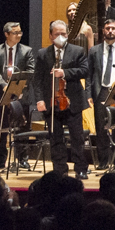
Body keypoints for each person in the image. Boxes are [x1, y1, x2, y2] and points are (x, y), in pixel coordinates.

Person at [33, 19, 91, 178]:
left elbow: (85, 71)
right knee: (56, 138)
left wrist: (64, 73)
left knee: (77, 137)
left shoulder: (77, 50)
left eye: (64, 34)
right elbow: (37, 79)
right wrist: (39, 100)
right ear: (51, 35)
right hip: (52, 102)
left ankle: (81, 169)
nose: (61, 36)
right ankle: (60, 170)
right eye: (57, 34)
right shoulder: (43, 54)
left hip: (72, 101)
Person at [87, 18, 115, 170]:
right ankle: (103, 160)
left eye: (113, 28)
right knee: (101, 128)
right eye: (107, 28)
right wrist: (88, 94)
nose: (110, 31)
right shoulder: (94, 50)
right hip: (101, 91)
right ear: (103, 31)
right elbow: (89, 74)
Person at [0, 21, 34, 171]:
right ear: (6, 34)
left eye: (20, 32)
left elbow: (30, 71)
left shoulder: (27, 51)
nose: (19, 35)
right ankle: (0, 159)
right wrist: (4, 86)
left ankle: (23, 159)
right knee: (1, 127)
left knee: (23, 127)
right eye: (15, 33)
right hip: (2, 94)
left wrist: (17, 86)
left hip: (21, 94)